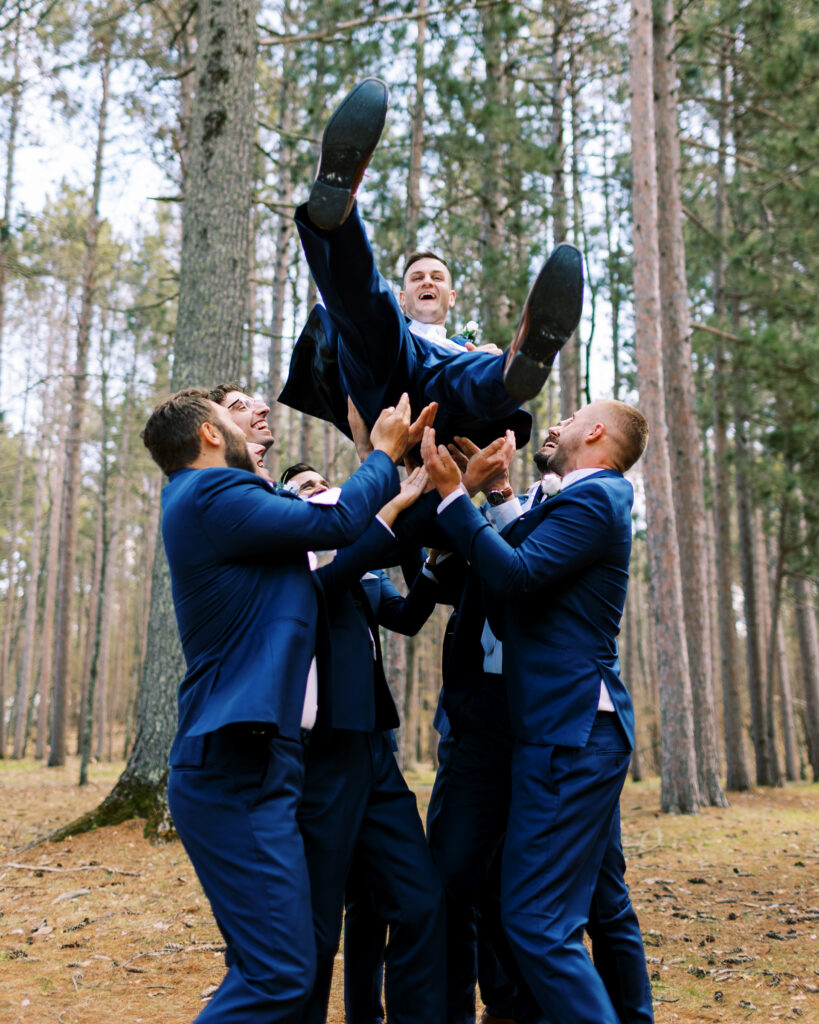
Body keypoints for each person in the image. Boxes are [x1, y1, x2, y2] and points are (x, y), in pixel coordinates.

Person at [141, 387, 411, 1024]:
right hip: (235, 763)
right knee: (280, 975)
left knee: (275, 964)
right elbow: (334, 523)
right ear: (211, 433)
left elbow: (330, 564)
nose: (252, 425)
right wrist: (380, 452)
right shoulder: (211, 492)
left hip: (265, 760)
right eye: (232, 417)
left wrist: (404, 493)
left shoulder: (220, 503)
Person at [420, 401, 654, 1024]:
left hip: (568, 731)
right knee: (587, 901)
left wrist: (450, 498)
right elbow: (517, 543)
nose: (554, 426)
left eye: (572, 417)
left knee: (537, 921)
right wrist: (494, 494)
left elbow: (515, 572)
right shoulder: (570, 498)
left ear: (597, 432)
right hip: (563, 730)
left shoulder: (596, 497)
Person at [279, 77, 584, 450]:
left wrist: (485, 360)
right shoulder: (393, 320)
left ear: (451, 296)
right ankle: (339, 214)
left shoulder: (461, 353)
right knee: (371, 314)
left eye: (437, 277)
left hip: (442, 410)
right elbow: (360, 303)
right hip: (383, 386)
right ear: (405, 297)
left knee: (464, 371)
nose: (427, 282)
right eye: (417, 277)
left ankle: (513, 368)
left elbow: (458, 381)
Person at [279, 460, 447, 1024]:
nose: (318, 490)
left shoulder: (364, 575)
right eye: (301, 489)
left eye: (321, 483)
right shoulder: (293, 567)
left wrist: (435, 564)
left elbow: (410, 616)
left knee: (422, 900)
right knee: (322, 923)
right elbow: (350, 558)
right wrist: (401, 501)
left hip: (377, 750)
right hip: (325, 755)